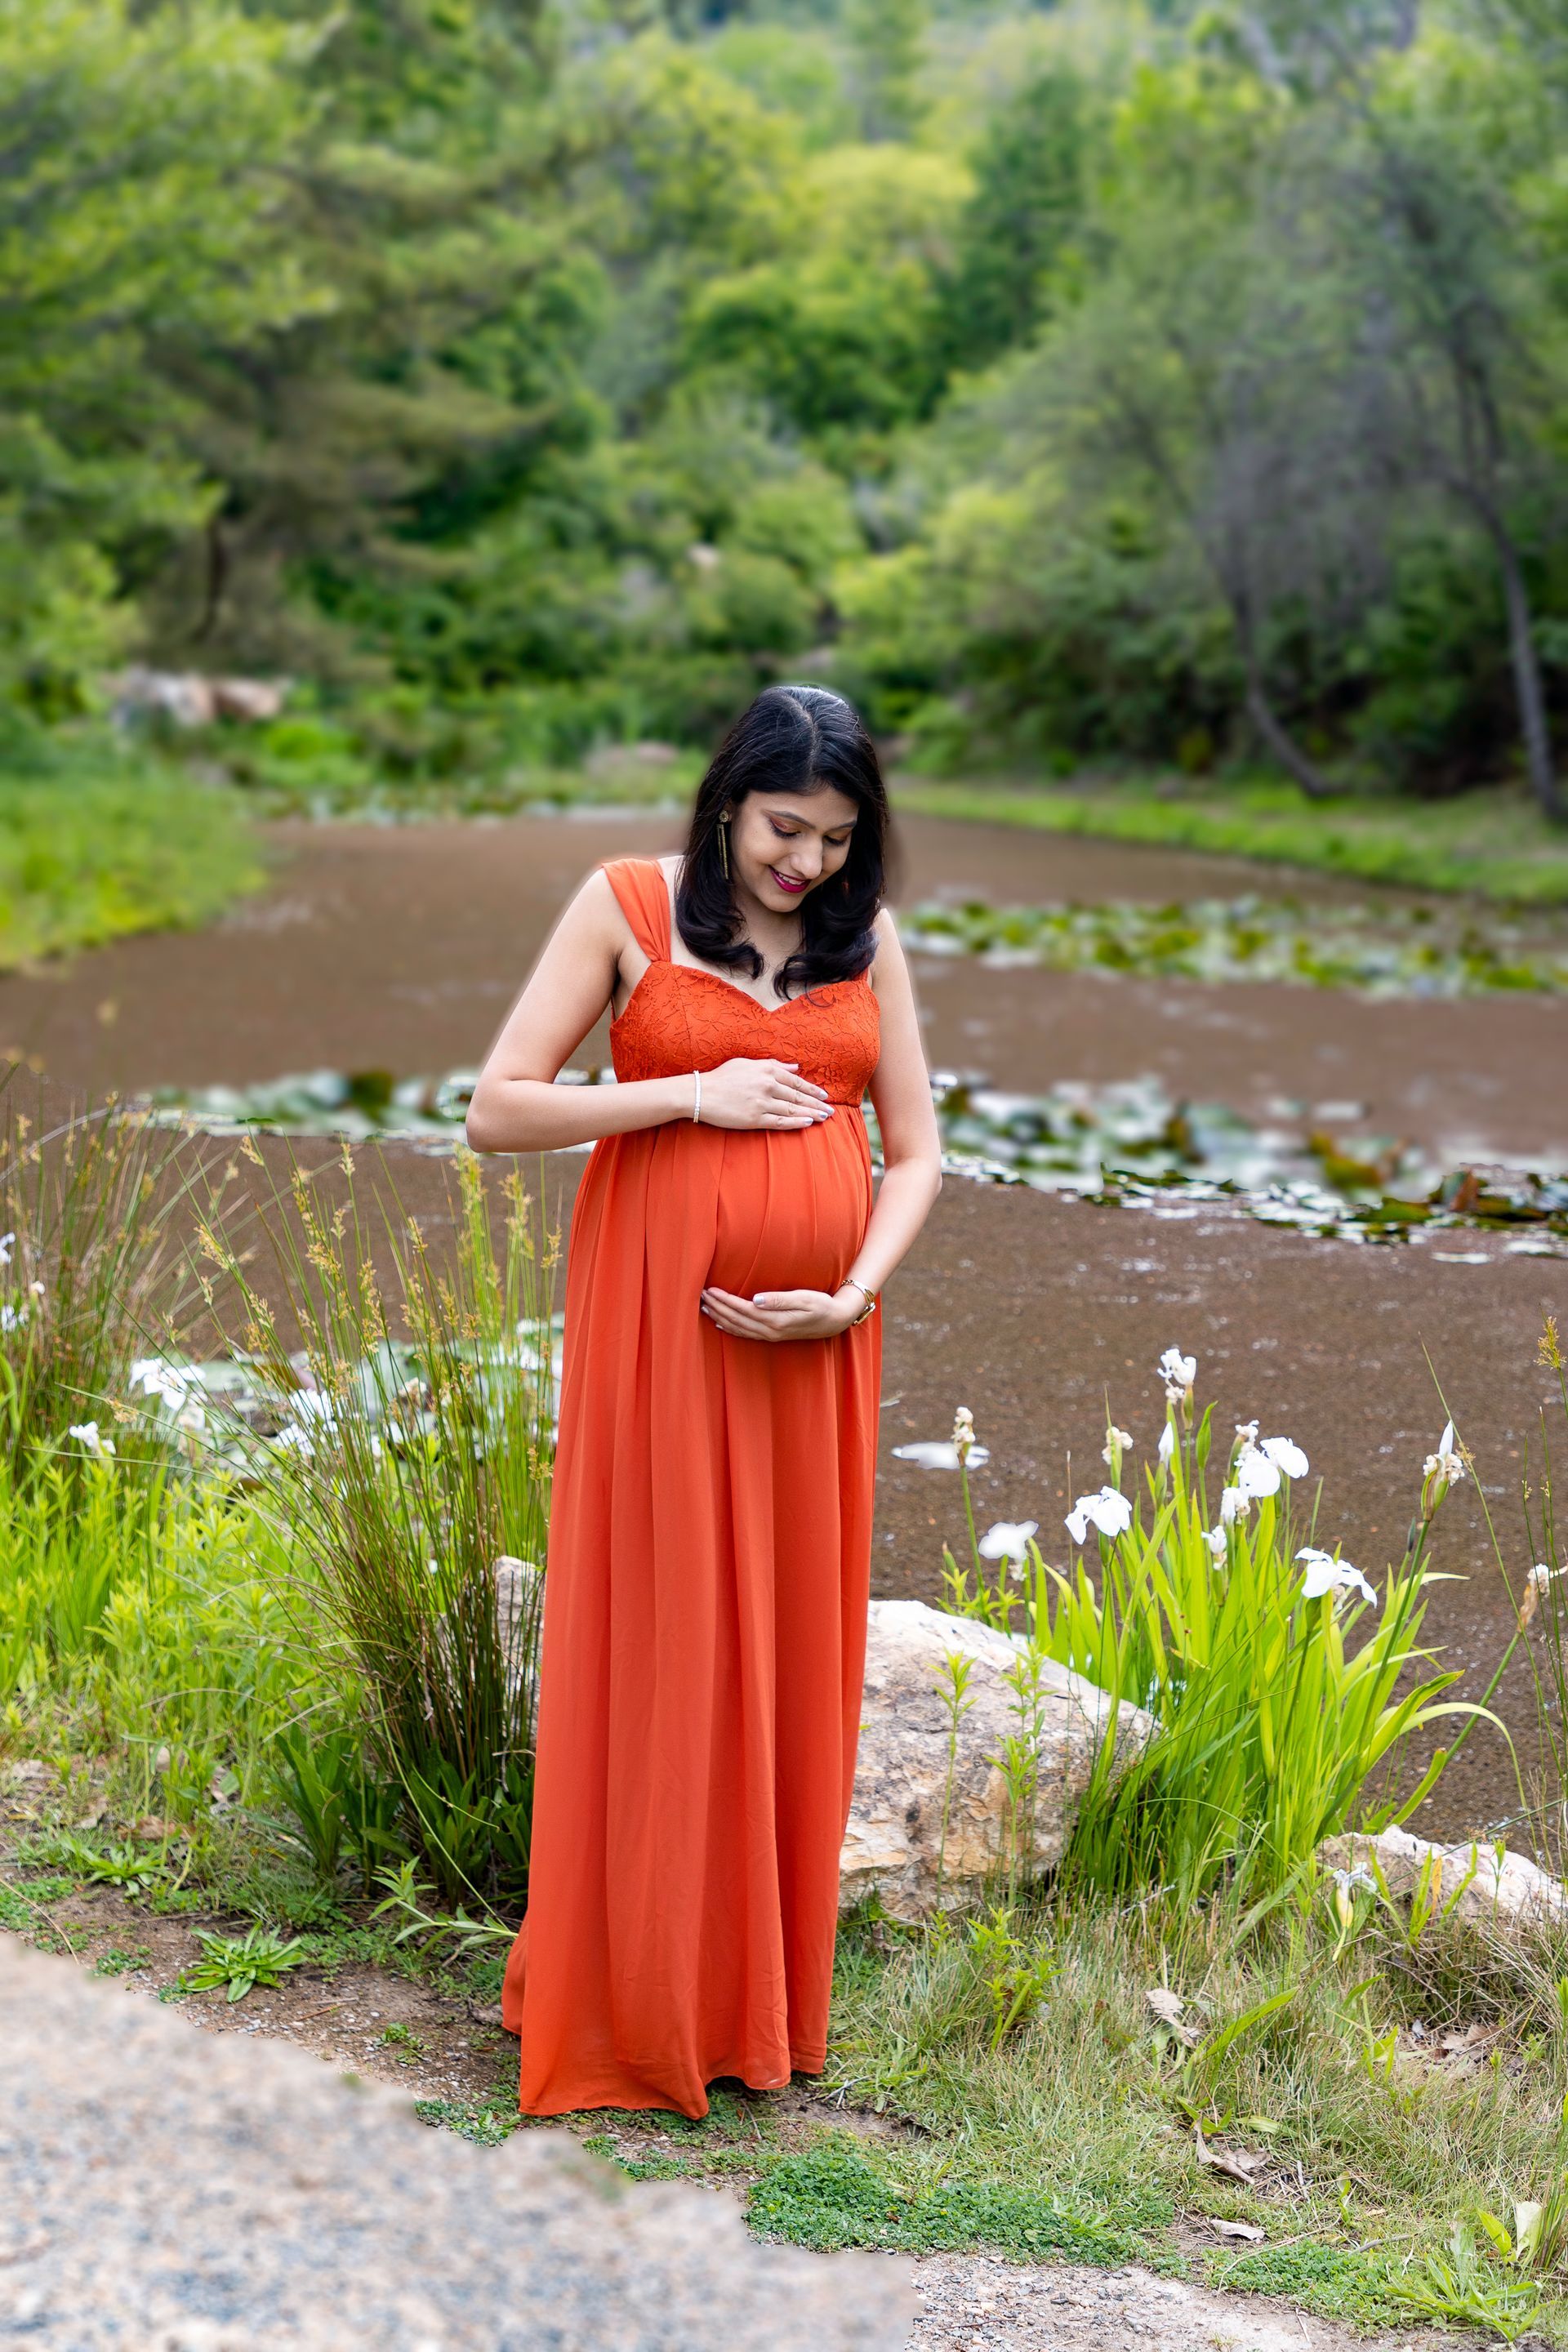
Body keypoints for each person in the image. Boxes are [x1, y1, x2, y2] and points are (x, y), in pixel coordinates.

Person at [466, 684, 942, 2118]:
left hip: (814, 1353)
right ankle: (635, 1999)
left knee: (787, 1649)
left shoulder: (869, 944)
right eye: (785, 828)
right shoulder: (625, 904)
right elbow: (498, 1109)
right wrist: (691, 1097)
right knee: (667, 1636)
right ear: (727, 798)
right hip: (659, 1340)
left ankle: (757, 2006)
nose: (805, 864)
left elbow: (916, 1153)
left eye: (837, 839)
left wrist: (851, 1291)